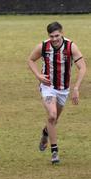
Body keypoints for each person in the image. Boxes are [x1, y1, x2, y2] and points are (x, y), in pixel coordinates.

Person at [28, 21, 86, 164]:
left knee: (54, 119)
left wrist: (76, 88)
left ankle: (45, 133)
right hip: (48, 87)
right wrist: (38, 76)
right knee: (52, 115)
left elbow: (83, 68)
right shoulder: (43, 46)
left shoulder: (71, 46)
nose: (54, 39)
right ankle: (55, 152)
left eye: (57, 36)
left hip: (63, 89)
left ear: (62, 33)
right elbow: (30, 60)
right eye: (51, 36)